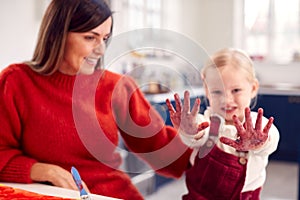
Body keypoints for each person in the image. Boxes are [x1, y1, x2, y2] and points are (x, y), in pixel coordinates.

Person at [0, 0, 193, 199]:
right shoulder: (16, 82)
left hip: (112, 194)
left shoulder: (116, 86)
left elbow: (157, 143)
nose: (101, 49)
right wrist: (45, 171)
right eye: (90, 37)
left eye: (105, 38)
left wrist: (208, 149)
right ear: (57, 35)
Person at [166, 48, 280, 200]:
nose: (226, 99)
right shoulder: (207, 122)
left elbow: (272, 138)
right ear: (207, 90)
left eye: (236, 90)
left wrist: (260, 142)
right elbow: (197, 136)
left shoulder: (257, 126)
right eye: (217, 92)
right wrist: (191, 131)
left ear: (253, 88)